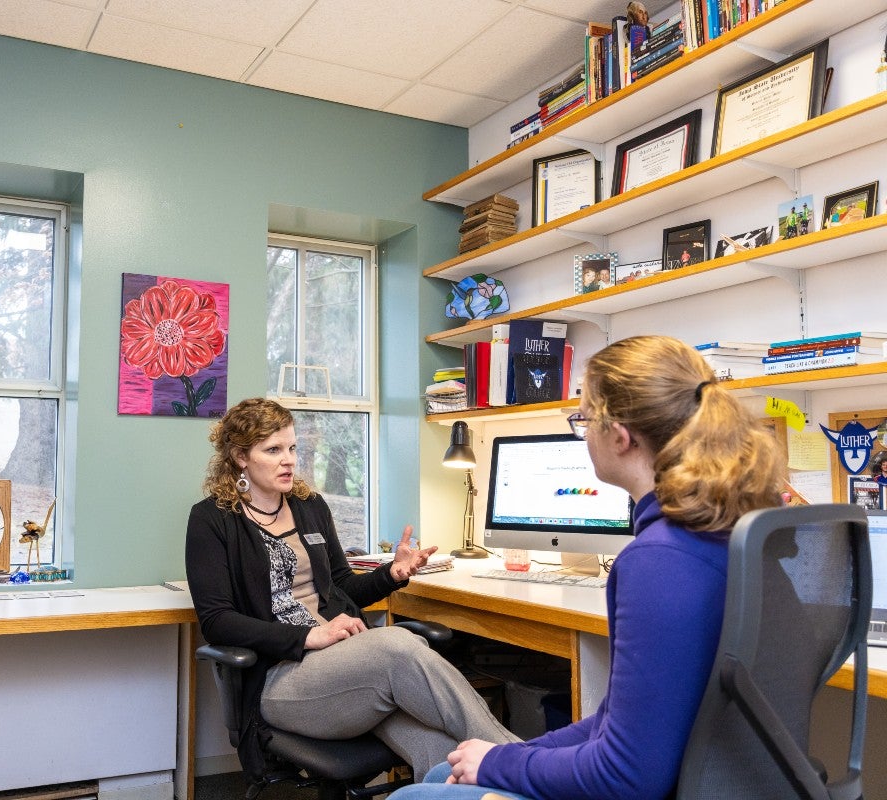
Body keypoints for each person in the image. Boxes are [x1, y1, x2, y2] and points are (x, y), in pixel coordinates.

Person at [389, 335, 786, 800]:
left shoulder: (661, 559)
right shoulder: (733, 530)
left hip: (662, 787)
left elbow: (627, 776)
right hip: (722, 776)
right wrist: (510, 758)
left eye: (583, 419)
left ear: (619, 436)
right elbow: (618, 720)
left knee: (411, 796)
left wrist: (502, 760)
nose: (581, 434)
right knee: (443, 776)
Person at [186, 398, 518, 780]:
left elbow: (341, 587)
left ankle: (497, 778)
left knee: (446, 752)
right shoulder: (212, 519)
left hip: (347, 666)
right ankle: (525, 764)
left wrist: (391, 574)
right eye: (273, 450)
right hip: (281, 679)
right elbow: (218, 622)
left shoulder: (310, 506)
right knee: (397, 646)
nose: (289, 460)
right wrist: (309, 636)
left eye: (292, 447)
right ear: (240, 456)